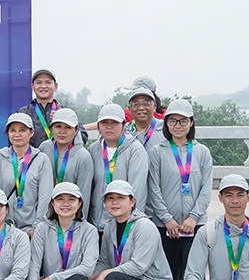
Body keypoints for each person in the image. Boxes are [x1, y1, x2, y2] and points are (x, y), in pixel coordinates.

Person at [148, 99, 213, 280]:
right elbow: (154, 187)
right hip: (166, 223)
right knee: (168, 265)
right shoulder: (157, 151)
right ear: (166, 123)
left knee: (193, 266)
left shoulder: (202, 152)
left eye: (183, 121)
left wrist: (194, 217)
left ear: (191, 122)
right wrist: (166, 219)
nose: (178, 125)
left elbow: (206, 188)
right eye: (173, 121)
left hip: (195, 223)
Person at [0, 113, 53, 234]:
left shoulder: (42, 159)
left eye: (22, 130)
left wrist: (37, 227)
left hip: (30, 230)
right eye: (12, 130)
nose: (17, 134)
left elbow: (45, 197)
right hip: (4, 229)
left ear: (31, 132)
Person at [86, 103, 149, 233]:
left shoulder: (135, 150)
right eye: (104, 122)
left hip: (124, 225)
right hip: (96, 224)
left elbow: (137, 191)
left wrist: (131, 224)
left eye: (114, 123)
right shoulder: (93, 150)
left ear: (124, 125)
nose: (109, 126)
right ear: (98, 125)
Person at [18, 69, 87, 149]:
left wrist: (64, 121)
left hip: (61, 156)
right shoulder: (24, 113)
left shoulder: (67, 112)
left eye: (48, 82)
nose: (43, 86)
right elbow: (14, 139)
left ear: (56, 86)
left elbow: (83, 137)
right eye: (39, 82)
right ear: (32, 87)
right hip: (32, 156)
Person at [38, 108, 94, 199]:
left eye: (68, 127)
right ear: (52, 128)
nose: (62, 131)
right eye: (58, 126)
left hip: (69, 206)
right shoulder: (44, 148)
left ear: (76, 130)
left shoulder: (83, 156)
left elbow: (84, 193)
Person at [126, 86, 164, 150]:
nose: (141, 108)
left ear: (154, 107)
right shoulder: (123, 132)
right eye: (136, 104)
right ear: (129, 109)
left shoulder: (165, 129)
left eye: (146, 104)